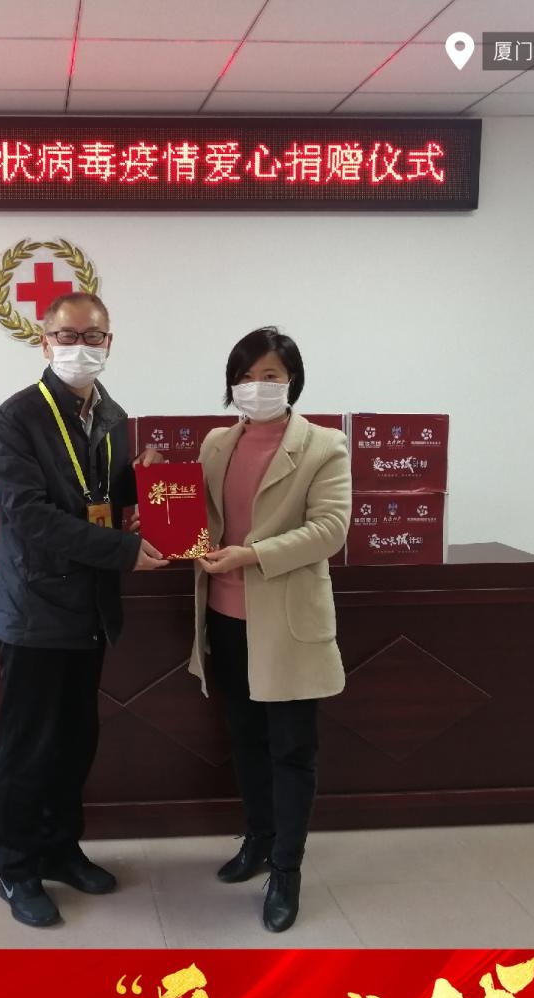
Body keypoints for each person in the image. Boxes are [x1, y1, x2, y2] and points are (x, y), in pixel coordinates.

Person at [0, 291, 168, 928]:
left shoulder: (113, 417)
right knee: (28, 746)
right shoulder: (16, 418)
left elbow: (102, 498)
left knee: (74, 742)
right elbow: (29, 515)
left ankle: (61, 849)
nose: (80, 347)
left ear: (110, 342)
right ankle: (16, 867)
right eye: (67, 336)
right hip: (35, 609)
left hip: (89, 608)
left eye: (93, 336)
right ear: (45, 342)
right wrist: (123, 550)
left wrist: (142, 483)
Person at [188, 326, 350, 932]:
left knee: (291, 750)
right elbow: (192, 515)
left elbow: (330, 530)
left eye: (270, 376)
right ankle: (257, 839)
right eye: (245, 377)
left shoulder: (324, 446)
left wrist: (251, 555)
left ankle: (287, 869)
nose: (256, 387)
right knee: (246, 741)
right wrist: (154, 486)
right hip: (225, 619)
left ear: (292, 381)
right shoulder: (216, 444)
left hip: (286, 624)